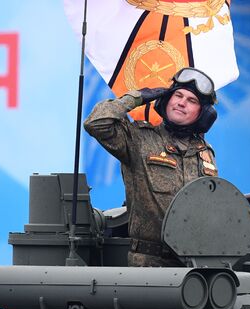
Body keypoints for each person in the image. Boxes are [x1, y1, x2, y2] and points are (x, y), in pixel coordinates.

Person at [84, 67, 219, 267]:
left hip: (194, 263)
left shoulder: (205, 152)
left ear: (203, 113)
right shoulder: (140, 138)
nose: (182, 102)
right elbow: (96, 123)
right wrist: (136, 97)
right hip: (148, 263)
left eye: (192, 101)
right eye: (177, 95)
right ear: (165, 100)